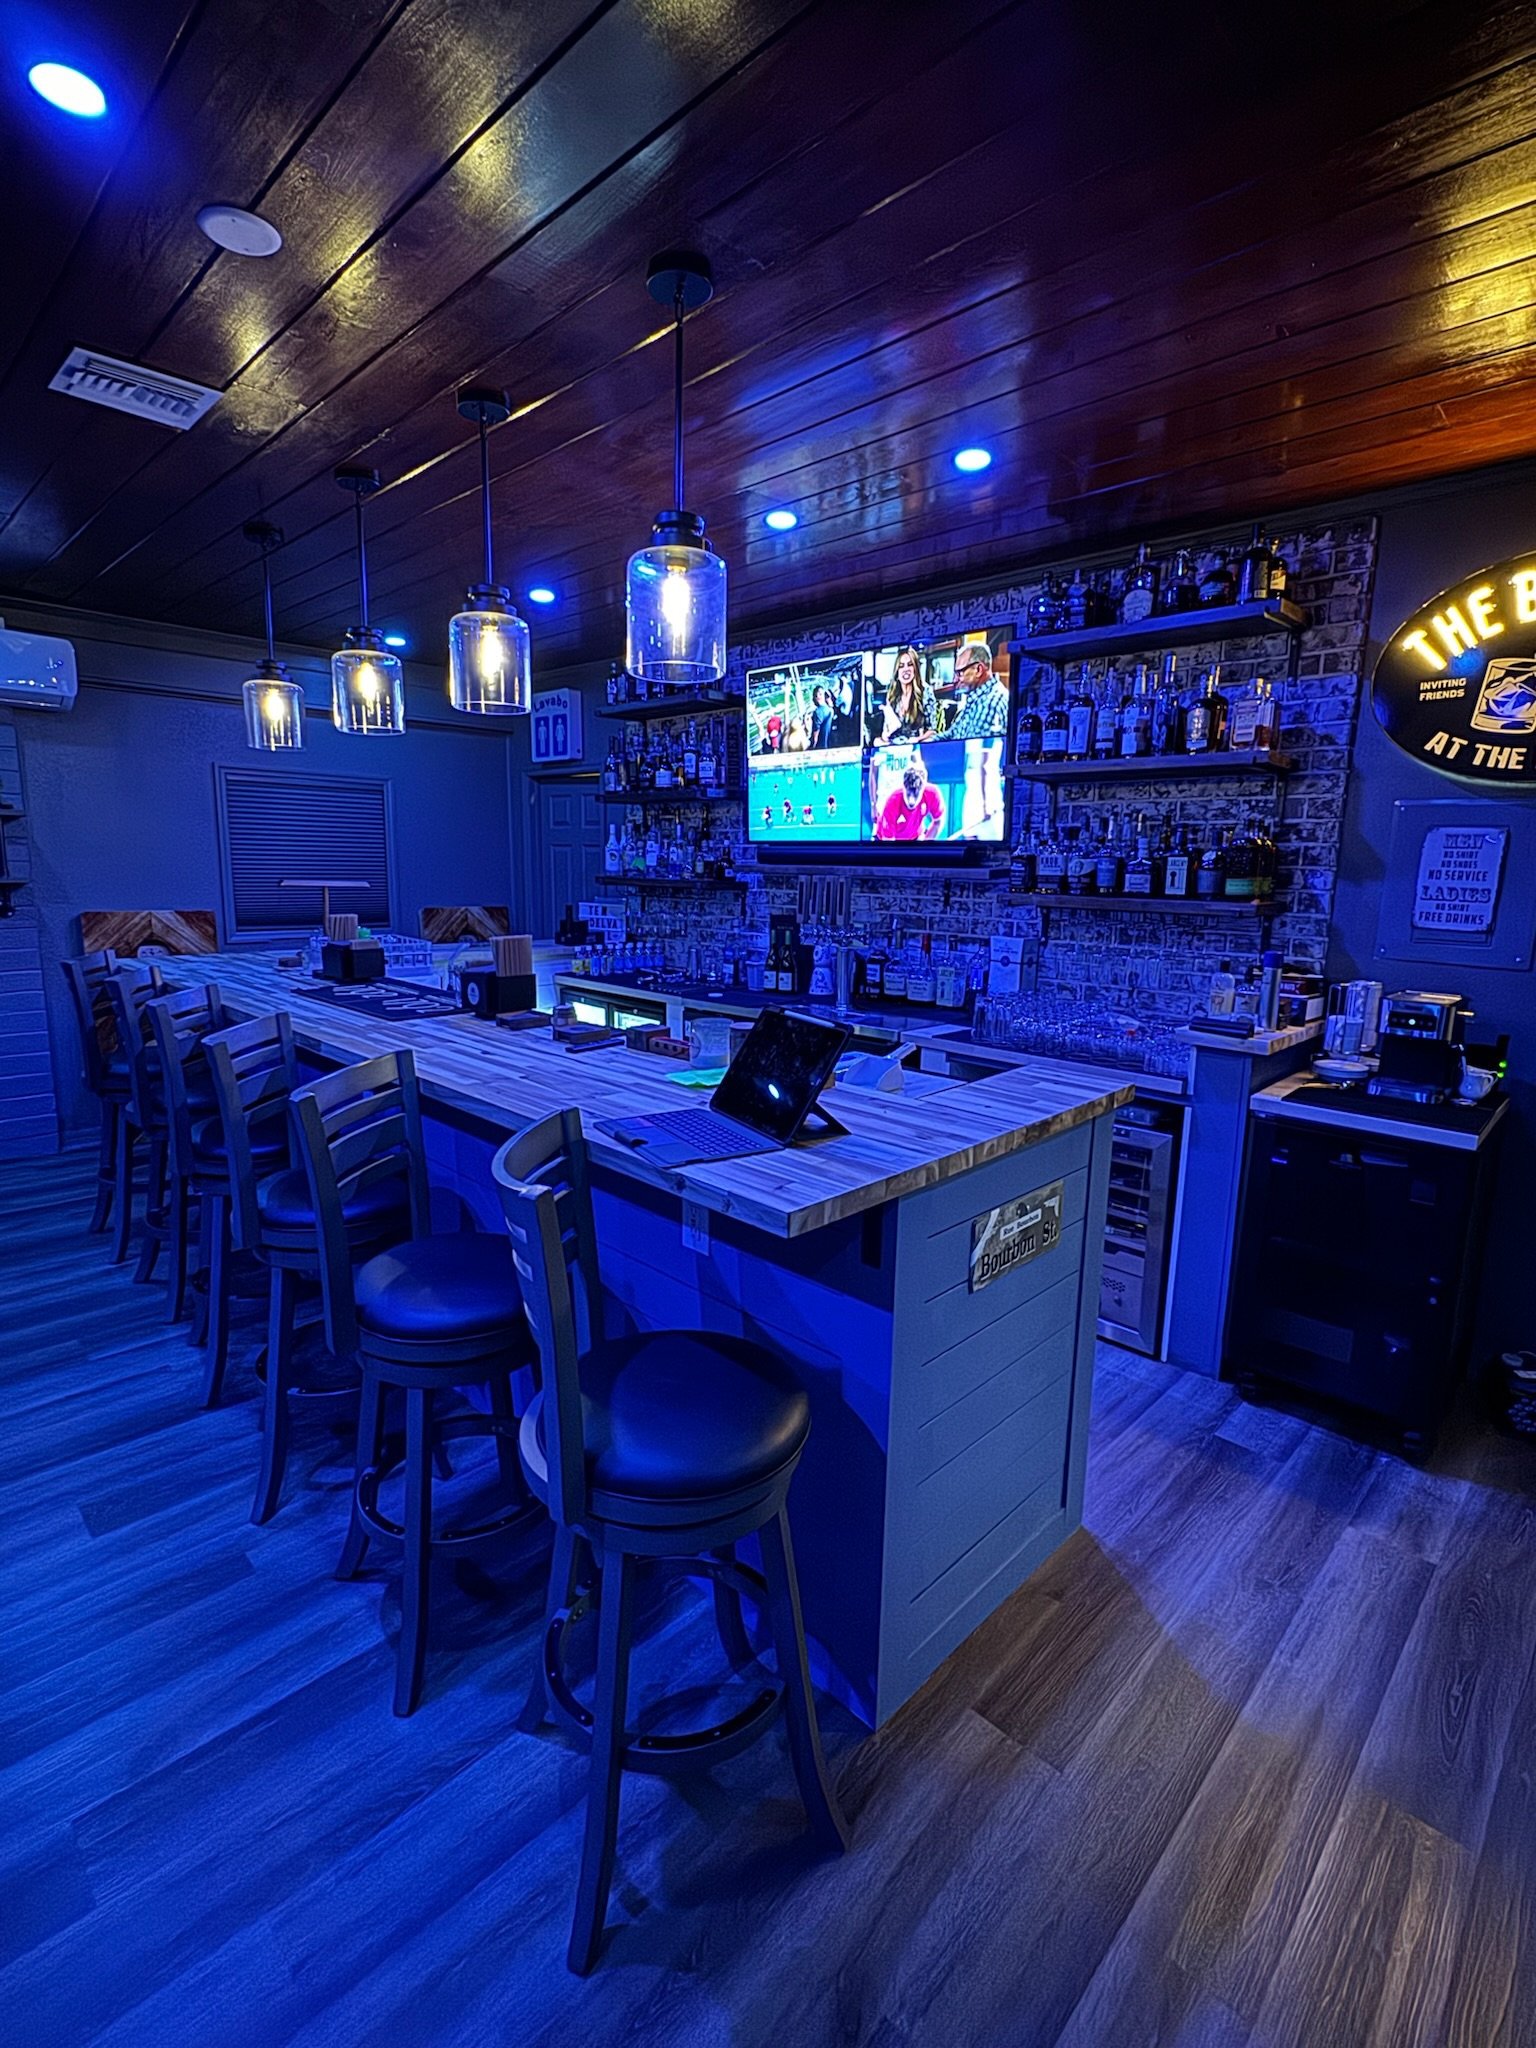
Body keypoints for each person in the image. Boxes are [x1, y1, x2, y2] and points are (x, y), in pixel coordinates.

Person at [947, 641, 1008, 831]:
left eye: (960, 672)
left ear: (979, 669)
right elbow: (953, 734)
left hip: (987, 802)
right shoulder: (972, 701)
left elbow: (985, 758)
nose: (956, 679)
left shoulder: (997, 700)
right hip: (973, 795)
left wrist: (985, 804)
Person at [874, 752, 945, 841]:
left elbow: (938, 821)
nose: (911, 801)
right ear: (903, 787)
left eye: (916, 795)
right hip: (885, 840)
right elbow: (888, 844)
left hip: (915, 837)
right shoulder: (892, 802)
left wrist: (924, 846)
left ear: (923, 789)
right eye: (908, 794)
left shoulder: (933, 794)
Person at [881, 644, 938, 741]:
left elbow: (932, 731)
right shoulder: (892, 694)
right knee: (877, 741)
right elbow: (885, 731)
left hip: (917, 743)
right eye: (901, 666)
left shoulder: (925, 691)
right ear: (897, 672)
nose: (906, 669)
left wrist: (917, 739)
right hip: (895, 744)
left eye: (910, 665)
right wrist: (886, 735)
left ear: (915, 669)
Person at [809, 684, 835, 749]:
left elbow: (816, 734)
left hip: (820, 746)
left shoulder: (817, 712)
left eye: (814, 696)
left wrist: (812, 747)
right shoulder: (830, 709)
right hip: (828, 743)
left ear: (817, 697)